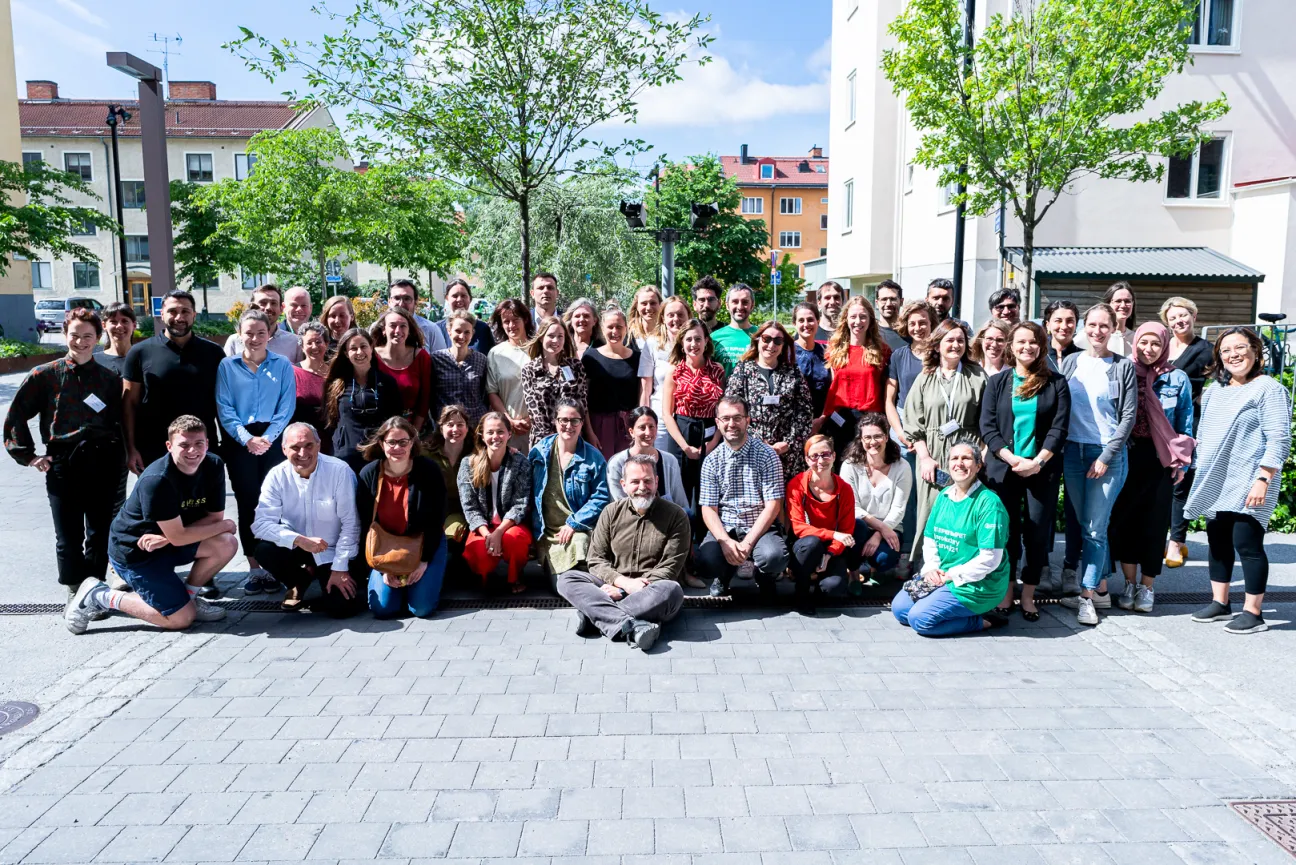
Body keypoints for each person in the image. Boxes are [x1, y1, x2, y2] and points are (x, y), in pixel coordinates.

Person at [66, 415, 237, 634]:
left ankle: (189, 598)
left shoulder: (213, 465)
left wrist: (170, 538)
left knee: (226, 543)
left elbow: (213, 519)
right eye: (184, 445)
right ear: (169, 446)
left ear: (207, 443)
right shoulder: (158, 480)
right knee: (181, 620)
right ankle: (100, 596)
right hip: (136, 553)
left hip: (165, 541)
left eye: (198, 444)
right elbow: (213, 525)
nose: (192, 451)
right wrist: (225, 524)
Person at [5, 308, 125, 599]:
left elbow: (121, 420)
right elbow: (16, 415)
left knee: (99, 532)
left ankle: (93, 587)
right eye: (75, 336)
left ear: (99, 338)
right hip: (63, 462)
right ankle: (74, 587)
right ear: (65, 335)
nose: (81, 342)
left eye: (88, 336)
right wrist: (29, 455)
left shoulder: (110, 379)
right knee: (67, 536)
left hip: (103, 460)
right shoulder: (45, 375)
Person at [1185, 327, 1292, 634]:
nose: (1233, 354)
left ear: (1255, 351)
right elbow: (1203, 434)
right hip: (1217, 479)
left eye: (1240, 347)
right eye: (1226, 350)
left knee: (1247, 543)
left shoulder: (1268, 389)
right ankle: (1221, 603)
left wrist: (1263, 478)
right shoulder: (1216, 389)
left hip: (1252, 478)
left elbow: (1279, 439)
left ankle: (1253, 612)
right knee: (1217, 542)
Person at [979, 321, 1070, 621]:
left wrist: (1037, 462)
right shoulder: (998, 383)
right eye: (1020, 341)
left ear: (1042, 346)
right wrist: (1010, 458)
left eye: (1033, 342)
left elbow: (1059, 429)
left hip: (1040, 470)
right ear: (1010, 346)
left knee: (1036, 533)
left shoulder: (1056, 383)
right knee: (1006, 533)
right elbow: (988, 427)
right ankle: (1007, 592)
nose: (1026, 347)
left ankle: (1028, 595)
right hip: (1003, 470)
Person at [558, 454, 689, 651]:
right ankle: (633, 625)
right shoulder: (611, 512)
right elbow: (596, 559)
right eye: (635, 482)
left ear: (657, 482)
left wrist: (622, 592)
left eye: (647, 481)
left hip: (650, 590)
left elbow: (669, 567)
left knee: (672, 591)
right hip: (612, 582)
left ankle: (595, 615)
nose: (642, 487)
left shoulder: (676, 516)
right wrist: (622, 583)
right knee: (567, 578)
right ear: (623, 484)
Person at [1058, 303, 1137, 625]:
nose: (1097, 331)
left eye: (1104, 326)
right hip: (1073, 452)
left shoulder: (1122, 366)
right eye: (1092, 325)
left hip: (1108, 454)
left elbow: (1129, 416)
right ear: (1083, 327)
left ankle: (1088, 595)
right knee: (1082, 522)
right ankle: (1098, 590)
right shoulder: (1071, 362)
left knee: (1094, 529)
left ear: (1113, 329)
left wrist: (1106, 457)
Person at [1108, 322, 1194, 615]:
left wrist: (1182, 461)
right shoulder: (1124, 370)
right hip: (1128, 455)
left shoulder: (1177, 378)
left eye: (1155, 344)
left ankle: (1147, 587)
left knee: (1155, 526)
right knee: (1125, 522)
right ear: (1136, 343)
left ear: (1164, 345)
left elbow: (1184, 422)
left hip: (1161, 459)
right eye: (1143, 342)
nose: (1148, 349)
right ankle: (1129, 584)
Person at [891, 438, 1010, 637]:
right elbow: (930, 540)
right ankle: (948, 607)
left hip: (979, 583)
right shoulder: (944, 495)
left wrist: (951, 575)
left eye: (966, 458)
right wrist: (931, 569)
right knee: (901, 610)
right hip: (944, 573)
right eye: (954, 458)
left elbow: (990, 560)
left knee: (921, 620)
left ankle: (983, 620)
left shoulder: (989, 504)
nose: (959, 463)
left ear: (978, 465)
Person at [216, 308, 296, 595]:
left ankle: (276, 565)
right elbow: (224, 408)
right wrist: (247, 439)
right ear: (239, 334)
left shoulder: (283, 364)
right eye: (248, 333)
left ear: (269, 335)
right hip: (240, 443)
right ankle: (254, 568)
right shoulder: (227, 366)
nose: (254, 338)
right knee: (248, 502)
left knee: (275, 503)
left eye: (261, 333)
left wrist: (268, 439)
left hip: (273, 442)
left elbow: (286, 408)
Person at [251, 423, 366, 616]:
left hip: (333, 550)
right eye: (295, 447)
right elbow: (260, 524)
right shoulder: (276, 475)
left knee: (341, 609)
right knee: (264, 550)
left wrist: (340, 568)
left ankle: (335, 579)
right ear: (284, 448)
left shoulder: (339, 470)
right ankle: (299, 580)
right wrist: (298, 540)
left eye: (308, 445)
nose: (302, 453)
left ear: (319, 445)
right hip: (298, 547)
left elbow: (351, 524)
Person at [903, 319, 988, 560]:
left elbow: (987, 422)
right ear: (938, 344)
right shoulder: (925, 377)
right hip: (933, 456)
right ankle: (924, 566)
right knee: (931, 513)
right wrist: (925, 458)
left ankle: (962, 566)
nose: (956, 345)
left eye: (960, 340)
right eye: (949, 340)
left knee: (964, 512)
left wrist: (979, 457)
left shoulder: (977, 375)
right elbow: (913, 423)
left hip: (967, 455)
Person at [123, 289, 226, 471]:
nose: (179, 317)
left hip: (201, 449)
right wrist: (131, 449)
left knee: (203, 500)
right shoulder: (140, 352)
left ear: (194, 315)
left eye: (185, 311)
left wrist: (225, 445)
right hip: (154, 450)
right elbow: (129, 403)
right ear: (161, 314)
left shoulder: (214, 353)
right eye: (172, 311)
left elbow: (223, 403)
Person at [355, 417, 448, 618]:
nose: (397, 447)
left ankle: (425, 582)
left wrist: (424, 561)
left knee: (421, 609)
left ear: (412, 443)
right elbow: (364, 525)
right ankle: (400, 587)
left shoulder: (428, 470)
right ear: (381, 444)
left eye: (403, 442)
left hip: (424, 544)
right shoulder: (369, 474)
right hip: (385, 547)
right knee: (384, 609)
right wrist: (383, 570)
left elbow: (436, 520)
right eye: (391, 442)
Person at [696, 397, 789, 598]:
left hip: (760, 526)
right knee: (705, 562)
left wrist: (748, 542)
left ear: (748, 420)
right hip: (727, 526)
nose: (731, 424)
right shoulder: (712, 460)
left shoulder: (767, 455)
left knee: (774, 557)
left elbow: (773, 505)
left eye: (737, 418)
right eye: (726, 418)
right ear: (718, 422)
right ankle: (723, 575)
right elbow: (708, 509)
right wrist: (723, 541)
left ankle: (764, 575)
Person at [529, 399, 611, 582]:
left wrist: (574, 523)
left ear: (582, 423)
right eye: (563, 420)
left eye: (574, 420)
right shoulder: (539, 452)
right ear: (555, 421)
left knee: (581, 544)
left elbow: (601, 496)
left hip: (578, 528)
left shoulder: (594, 457)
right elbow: (524, 483)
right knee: (561, 583)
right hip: (546, 531)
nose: (569, 425)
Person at [1161, 296, 1214, 569]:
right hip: (1161, 424)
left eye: (1183, 315)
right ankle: (1176, 540)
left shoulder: (1206, 350)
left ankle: (1175, 541)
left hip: (1188, 424)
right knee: (1162, 482)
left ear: (1194, 316)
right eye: (1172, 318)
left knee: (1181, 483)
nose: (1179, 321)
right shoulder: (1162, 345)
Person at [885, 300, 937, 570]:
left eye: (923, 323)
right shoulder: (899, 356)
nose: (918, 328)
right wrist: (900, 432)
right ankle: (907, 552)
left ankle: (930, 553)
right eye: (913, 323)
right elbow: (890, 400)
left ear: (932, 324)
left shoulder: (939, 354)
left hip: (934, 428)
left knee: (933, 490)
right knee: (908, 493)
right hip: (904, 428)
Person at [725, 320, 814, 477]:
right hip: (751, 451)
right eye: (766, 339)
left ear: (783, 345)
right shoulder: (743, 370)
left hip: (788, 456)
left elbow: (805, 412)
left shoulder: (793, 372)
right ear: (758, 340)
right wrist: (758, 441)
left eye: (778, 341)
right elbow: (732, 410)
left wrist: (788, 443)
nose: (771, 345)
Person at [458, 412, 533, 592]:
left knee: (515, 541)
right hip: (483, 527)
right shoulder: (468, 464)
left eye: (500, 432)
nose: (495, 437)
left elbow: (520, 504)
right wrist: (488, 536)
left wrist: (499, 532)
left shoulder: (520, 462)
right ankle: (484, 577)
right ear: (482, 436)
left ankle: (515, 577)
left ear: (509, 434)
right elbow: (470, 508)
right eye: (490, 432)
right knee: (479, 553)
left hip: (509, 525)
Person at [662, 319, 726, 522]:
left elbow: (722, 411)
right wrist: (684, 446)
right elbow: (666, 413)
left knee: (707, 490)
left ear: (706, 341)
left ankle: (705, 540)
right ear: (681, 343)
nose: (693, 344)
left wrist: (715, 441)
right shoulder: (675, 372)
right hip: (682, 431)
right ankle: (682, 539)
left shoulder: (717, 370)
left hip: (710, 432)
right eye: (688, 339)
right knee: (681, 489)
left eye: (698, 339)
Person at [787, 435, 858, 611]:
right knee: (812, 543)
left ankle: (819, 589)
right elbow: (798, 527)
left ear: (834, 456)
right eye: (814, 456)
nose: (820, 460)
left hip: (831, 548)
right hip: (805, 545)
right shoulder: (796, 485)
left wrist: (830, 554)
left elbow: (846, 529)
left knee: (833, 588)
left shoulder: (845, 489)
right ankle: (801, 592)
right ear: (806, 459)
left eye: (825, 454)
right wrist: (834, 534)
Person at [838, 413, 910, 581]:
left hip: (890, 527)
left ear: (886, 437)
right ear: (861, 440)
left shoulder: (902, 466)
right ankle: (854, 571)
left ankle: (872, 567)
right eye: (867, 437)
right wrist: (880, 527)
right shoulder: (850, 466)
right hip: (858, 525)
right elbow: (851, 507)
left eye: (877, 436)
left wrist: (880, 533)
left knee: (884, 559)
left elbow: (898, 509)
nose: (872, 442)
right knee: (859, 526)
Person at [322, 328, 404, 473]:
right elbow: (331, 421)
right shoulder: (335, 385)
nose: (359, 352)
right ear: (346, 354)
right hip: (344, 458)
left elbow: (395, 420)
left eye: (363, 346)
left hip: (377, 456)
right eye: (353, 348)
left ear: (371, 348)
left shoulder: (387, 383)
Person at [822, 296, 892, 457]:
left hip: (871, 420)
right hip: (841, 419)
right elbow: (833, 386)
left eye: (863, 316)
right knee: (844, 468)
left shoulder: (883, 350)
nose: (858, 321)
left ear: (870, 320)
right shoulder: (834, 349)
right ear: (846, 319)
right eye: (853, 316)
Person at [583, 307, 652, 459]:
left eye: (619, 327)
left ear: (626, 329)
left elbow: (642, 393)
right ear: (602, 328)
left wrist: (638, 425)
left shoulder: (638, 358)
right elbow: (584, 398)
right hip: (599, 425)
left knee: (629, 469)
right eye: (610, 327)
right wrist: (589, 432)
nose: (615, 331)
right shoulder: (590, 357)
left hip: (628, 424)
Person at [522, 315, 595, 448]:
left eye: (560, 336)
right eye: (551, 335)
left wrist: (587, 432)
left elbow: (582, 403)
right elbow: (535, 411)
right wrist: (554, 440)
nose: (555, 340)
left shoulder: (575, 366)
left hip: (572, 435)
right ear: (541, 337)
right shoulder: (530, 370)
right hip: (543, 441)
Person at [607, 407, 691, 511]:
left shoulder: (670, 461)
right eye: (642, 428)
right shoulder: (617, 463)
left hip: (667, 520)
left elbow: (680, 503)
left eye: (651, 427)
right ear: (631, 432)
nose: (648, 433)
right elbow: (618, 505)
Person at [372, 308, 433, 434]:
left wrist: (412, 435)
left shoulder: (421, 357)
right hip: (377, 430)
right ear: (384, 330)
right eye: (392, 326)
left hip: (413, 429)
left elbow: (425, 400)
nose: (397, 331)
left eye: (403, 326)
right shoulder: (372, 356)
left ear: (409, 330)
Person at [485, 299, 535, 452]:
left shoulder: (538, 349)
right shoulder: (496, 353)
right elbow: (492, 391)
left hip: (536, 428)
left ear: (525, 319)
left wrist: (531, 419)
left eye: (515, 320)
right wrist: (509, 420)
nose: (511, 325)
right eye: (506, 321)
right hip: (507, 430)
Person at [427, 405, 474, 563]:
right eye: (450, 424)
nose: (455, 429)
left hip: (464, 513)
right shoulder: (426, 454)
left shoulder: (476, 454)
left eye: (460, 425)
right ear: (441, 429)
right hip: (434, 511)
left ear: (467, 428)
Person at [646, 296, 691, 455]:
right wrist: (645, 418)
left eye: (680, 314)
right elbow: (646, 387)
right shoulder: (652, 344)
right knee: (661, 463)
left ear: (688, 317)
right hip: (660, 416)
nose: (675, 319)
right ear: (663, 318)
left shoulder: (694, 344)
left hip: (688, 416)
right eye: (670, 315)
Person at [430, 310, 489, 428]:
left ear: (472, 333)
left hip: (474, 426)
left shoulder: (481, 360)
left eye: (467, 332)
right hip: (447, 427)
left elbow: (485, 394)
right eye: (457, 331)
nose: (462, 336)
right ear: (449, 331)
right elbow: (430, 394)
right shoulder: (436, 359)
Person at [223, 284, 304, 363]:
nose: (268, 307)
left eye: (273, 303)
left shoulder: (294, 342)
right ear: (252, 307)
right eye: (263, 303)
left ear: (281, 308)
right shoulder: (234, 341)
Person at [793, 302, 832, 421]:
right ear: (794, 324)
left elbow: (833, 388)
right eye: (801, 320)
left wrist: (822, 418)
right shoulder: (786, 353)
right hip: (794, 421)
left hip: (823, 420)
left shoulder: (827, 352)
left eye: (810, 320)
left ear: (818, 322)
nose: (806, 324)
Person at [1077, 281, 1136, 357]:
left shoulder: (1135, 338)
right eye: (1118, 301)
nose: (1123, 305)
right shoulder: (1090, 335)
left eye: (1127, 301)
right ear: (1108, 304)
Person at [388, 278, 448, 351]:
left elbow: (441, 361)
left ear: (416, 302)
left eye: (407, 299)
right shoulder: (378, 329)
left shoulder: (431, 330)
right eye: (396, 298)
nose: (401, 304)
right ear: (389, 301)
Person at [437, 278, 495, 353]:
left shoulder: (483, 329)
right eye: (454, 296)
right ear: (447, 298)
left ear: (470, 299)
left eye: (463, 296)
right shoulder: (437, 329)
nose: (459, 299)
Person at [292, 322, 330, 434]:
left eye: (318, 342)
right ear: (302, 347)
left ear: (326, 344)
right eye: (309, 343)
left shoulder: (335, 374)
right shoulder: (292, 373)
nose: (314, 347)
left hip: (331, 438)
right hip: (302, 439)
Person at [711, 284, 756, 376]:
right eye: (735, 302)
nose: (740, 307)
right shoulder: (714, 338)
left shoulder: (762, 335)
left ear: (752, 305)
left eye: (745, 302)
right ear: (727, 305)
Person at [94, 301, 136, 377]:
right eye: (113, 321)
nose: (119, 326)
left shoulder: (145, 358)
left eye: (125, 321)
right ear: (104, 325)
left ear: (134, 325)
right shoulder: (94, 361)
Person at [1043, 299, 1082, 371]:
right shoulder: (1038, 355)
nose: (1064, 326)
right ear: (1048, 325)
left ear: (1076, 324)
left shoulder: (1083, 356)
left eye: (1070, 321)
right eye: (1058, 321)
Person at [627, 285, 663, 350]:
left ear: (660, 305)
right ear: (637, 306)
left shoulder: (667, 333)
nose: (648, 308)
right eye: (644, 303)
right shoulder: (628, 335)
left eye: (653, 303)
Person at [875, 279, 907, 351]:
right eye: (884, 299)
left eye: (893, 299)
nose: (888, 304)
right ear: (877, 303)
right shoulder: (870, 332)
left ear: (901, 302)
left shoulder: (911, 332)